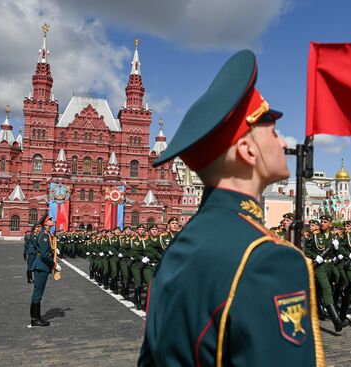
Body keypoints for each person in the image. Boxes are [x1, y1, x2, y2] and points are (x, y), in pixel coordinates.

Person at [139, 50, 324, 366]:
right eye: (274, 133)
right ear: (248, 151)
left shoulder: (181, 247)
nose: (283, 144)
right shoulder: (268, 259)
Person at [29, 213, 60, 327]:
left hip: (42, 266)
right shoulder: (44, 236)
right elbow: (44, 254)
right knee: (38, 293)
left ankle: (35, 317)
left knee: (38, 292)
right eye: (50, 220)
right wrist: (53, 264)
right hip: (41, 266)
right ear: (45, 223)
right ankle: (35, 318)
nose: (52, 221)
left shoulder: (46, 234)